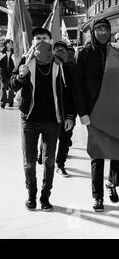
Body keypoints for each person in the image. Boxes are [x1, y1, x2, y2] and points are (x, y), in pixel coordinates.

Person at [10, 27, 75, 211]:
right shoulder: (25, 61)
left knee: (49, 161)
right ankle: (31, 195)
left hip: (52, 122)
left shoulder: (60, 64)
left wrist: (69, 115)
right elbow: (13, 85)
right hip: (29, 121)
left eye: (44, 38)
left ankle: (45, 197)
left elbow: (69, 93)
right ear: (33, 42)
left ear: (51, 41)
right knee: (29, 162)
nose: (41, 41)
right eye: (37, 38)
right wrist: (21, 76)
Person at [74, 18, 119, 212]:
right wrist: (83, 113)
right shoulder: (84, 54)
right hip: (94, 112)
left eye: (106, 29)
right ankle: (97, 196)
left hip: (117, 111)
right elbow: (77, 87)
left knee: (117, 150)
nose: (103, 32)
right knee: (98, 154)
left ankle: (112, 182)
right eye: (99, 29)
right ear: (93, 32)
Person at [52, 42, 77, 178]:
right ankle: (41, 154)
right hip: (50, 114)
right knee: (48, 139)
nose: (60, 52)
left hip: (66, 113)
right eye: (57, 50)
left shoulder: (71, 69)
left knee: (64, 139)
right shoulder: (47, 68)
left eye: (63, 50)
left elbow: (75, 94)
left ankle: (60, 164)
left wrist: (71, 116)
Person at [0, 39, 15, 108]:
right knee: (3, 87)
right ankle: (3, 101)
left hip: (11, 72)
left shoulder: (14, 52)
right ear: (6, 44)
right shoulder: (1, 52)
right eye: (9, 43)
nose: (11, 44)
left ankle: (11, 101)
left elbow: (16, 62)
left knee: (11, 87)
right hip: (3, 72)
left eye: (12, 43)